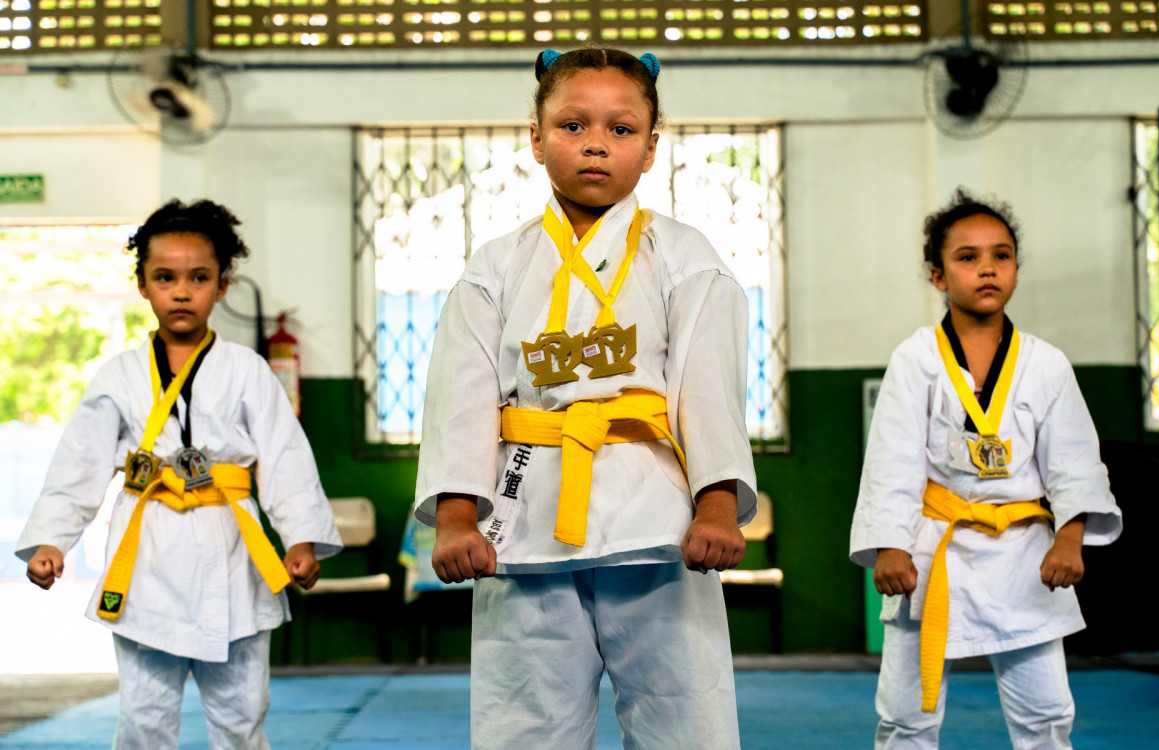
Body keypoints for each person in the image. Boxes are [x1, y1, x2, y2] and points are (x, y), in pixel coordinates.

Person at [413, 47, 758, 749]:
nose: (596, 142)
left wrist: (718, 502)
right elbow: (462, 399)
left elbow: (710, 390)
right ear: (535, 140)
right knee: (523, 726)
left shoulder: (685, 255)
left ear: (652, 149)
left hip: (658, 522)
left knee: (685, 718)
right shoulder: (496, 266)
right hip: (527, 513)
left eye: (621, 129)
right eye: (572, 125)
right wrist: (454, 519)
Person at [17, 199, 342, 750]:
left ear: (222, 285)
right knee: (143, 721)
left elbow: (284, 456)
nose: (182, 291)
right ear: (142, 285)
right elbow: (81, 462)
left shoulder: (247, 370)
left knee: (241, 719)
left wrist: (301, 538)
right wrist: (52, 540)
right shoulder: (117, 376)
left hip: (230, 549)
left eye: (199, 277)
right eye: (165, 277)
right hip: (149, 556)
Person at [849, 189, 1123, 749]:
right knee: (905, 715)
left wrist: (1070, 536)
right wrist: (889, 545)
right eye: (967, 257)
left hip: (1025, 554)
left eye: (1001, 255)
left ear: (1017, 269)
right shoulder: (917, 358)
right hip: (933, 551)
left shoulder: (1045, 363)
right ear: (937, 276)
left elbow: (1075, 462)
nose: (987, 268)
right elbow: (890, 463)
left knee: (1046, 716)